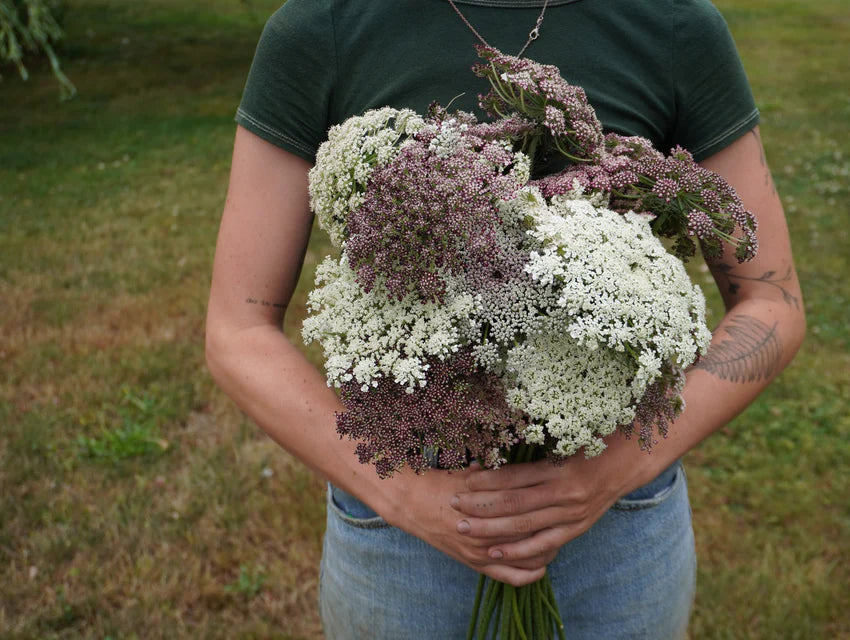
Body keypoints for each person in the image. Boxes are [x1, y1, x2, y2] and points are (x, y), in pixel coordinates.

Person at [205, 1, 806, 637]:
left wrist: (614, 471)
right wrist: (410, 496)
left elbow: (772, 302)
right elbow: (238, 332)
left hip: (617, 518)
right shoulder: (323, 26)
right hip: (404, 530)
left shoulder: (673, 24)